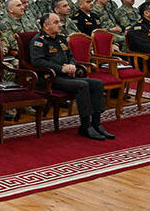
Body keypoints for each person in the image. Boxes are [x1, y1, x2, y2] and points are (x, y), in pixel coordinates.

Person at [29, 13, 113, 141]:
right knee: (82, 85)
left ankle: (96, 123)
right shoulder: (38, 41)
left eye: (59, 22)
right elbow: (38, 62)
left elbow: (71, 56)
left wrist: (72, 65)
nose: (60, 25)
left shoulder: (61, 38)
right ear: (46, 26)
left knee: (97, 84)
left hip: (67, 76)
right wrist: (61, 68)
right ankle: (85, 126)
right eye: (56, 22)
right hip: (50, 78)